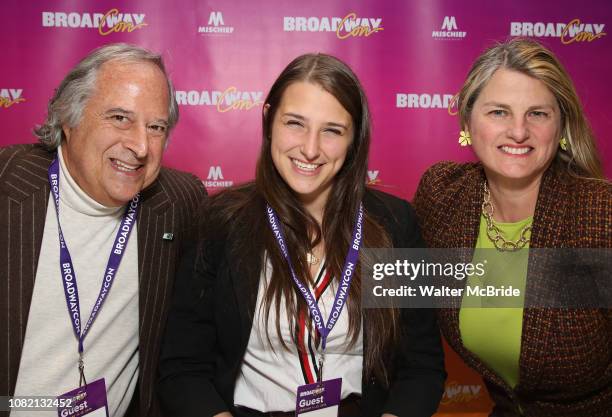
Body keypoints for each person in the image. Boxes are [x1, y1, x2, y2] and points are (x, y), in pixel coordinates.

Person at [159, 53, 445, 417]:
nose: (310, 149)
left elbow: (422, 368)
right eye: (295, 123)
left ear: (354, 139)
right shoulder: (222, 221)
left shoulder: (395, 222)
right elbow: (182, 368)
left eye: (332, 130)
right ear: (268, 120)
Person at [1, 43, 206, 417]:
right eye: (120, 118)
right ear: (69, 117)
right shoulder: (6, 186)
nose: (140, 146)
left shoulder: (177, 204)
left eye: (156, 127)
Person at [413, 38, 611, 416]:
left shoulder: (600, 216)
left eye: (537, 113)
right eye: (499, 112)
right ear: (468, 120)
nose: (518, 132)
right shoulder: (443, 197)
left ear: (562, 125)